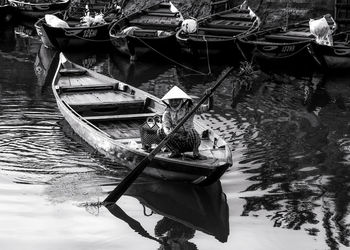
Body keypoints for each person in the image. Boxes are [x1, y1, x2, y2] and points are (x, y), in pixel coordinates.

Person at [157, 86, 213, 159]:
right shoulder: (167, 112)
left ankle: (196, 153)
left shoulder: (190, 107)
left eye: (176, 100)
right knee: (160, 131)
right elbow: (165, 126)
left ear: (181, 100)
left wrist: (210, 97)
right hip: (176, 140)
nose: (173, 102)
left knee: (192, 132)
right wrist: (169, 133)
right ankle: (174, 151)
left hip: (189, 140)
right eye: (171, 100)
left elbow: (208, 107)